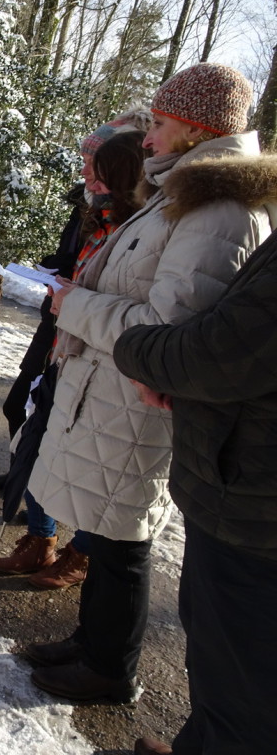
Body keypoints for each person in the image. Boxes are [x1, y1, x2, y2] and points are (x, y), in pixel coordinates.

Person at [24, 63, 277, 704]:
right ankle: (92, 642)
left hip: (139, 403)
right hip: (112, 391)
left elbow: (168, 327)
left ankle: (110, 668)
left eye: (160, 124)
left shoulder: (218, 210)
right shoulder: (184, 192)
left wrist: (74, 306)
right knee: (105, 534)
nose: (148, 137)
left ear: (196, 130)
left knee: (123, 537)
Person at [114, 229, 277, 755]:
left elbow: (221, 350)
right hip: (246, 491)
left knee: (241, 686)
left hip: (252, 508)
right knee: (226, 670)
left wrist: (136, 347)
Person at [0, 129, 150, 590]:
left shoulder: (135, 225)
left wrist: (75, 296)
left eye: (93, 164)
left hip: (99, 357)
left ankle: (81, 551)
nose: (83, 170)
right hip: (61, 339)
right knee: (36, 437)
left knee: (88, 466)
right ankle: (41, 538)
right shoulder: (92, 213)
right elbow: (77, 262)